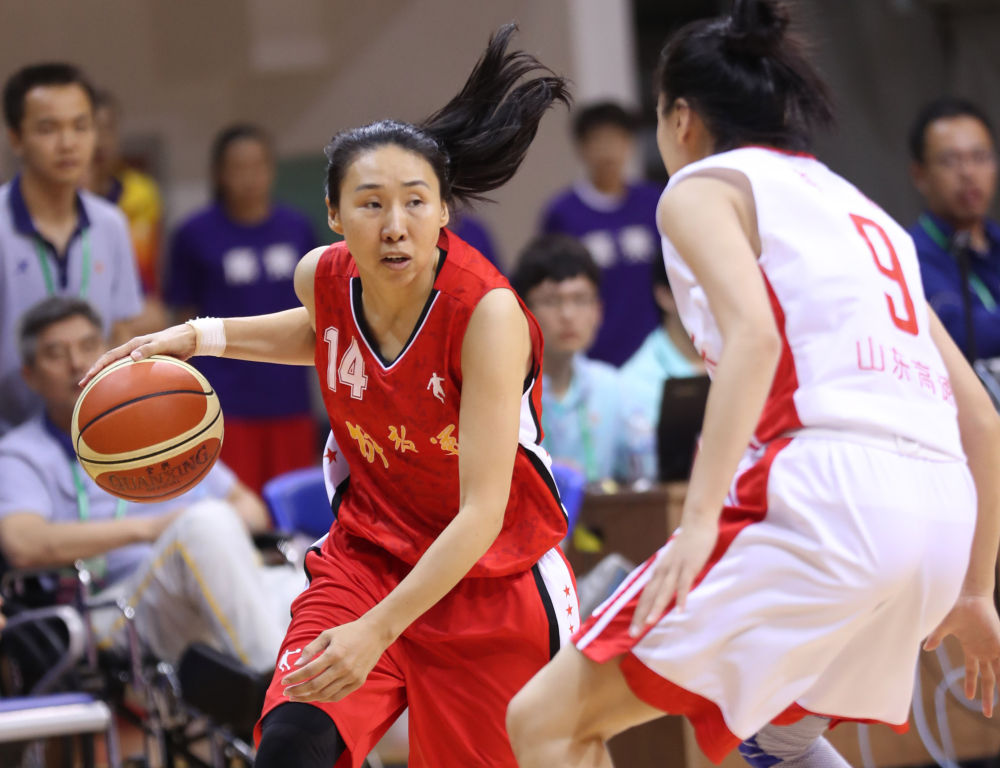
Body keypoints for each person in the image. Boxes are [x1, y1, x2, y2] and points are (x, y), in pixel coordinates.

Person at [507, 2, 1000, 767]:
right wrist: (975, 591)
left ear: (680, 119)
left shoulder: (701, 186)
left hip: (829, 501)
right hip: (939, 526)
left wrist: (700, 523)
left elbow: (756, 337)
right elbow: (982, 417)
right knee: (773, 738)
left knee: (543, 722)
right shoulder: (867, 213)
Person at [83, 24, 577, 767]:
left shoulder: (488, 315)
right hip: (368, 556)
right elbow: (317, 331)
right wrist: (194, 338)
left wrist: (377, 631)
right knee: (293, 746)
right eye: (371, 204)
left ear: (445, 211)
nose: (395, 226)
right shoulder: (323, 277)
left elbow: (481, 514)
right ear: (335, 215)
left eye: (416, 202)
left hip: (487, 580)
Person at [0, 296, 305, 671]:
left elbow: (253, 511)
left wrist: (205, 539)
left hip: (221, 577)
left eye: (88, 345)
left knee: (317, 596)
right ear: (30, 375)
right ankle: (285, 695)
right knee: (204, 523)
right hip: (120, 606)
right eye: (56, 354)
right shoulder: (22, 452)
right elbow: (23, 543)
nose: (77, 363)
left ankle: (303, 693)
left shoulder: (162, 420)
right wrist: (155, 529)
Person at [165, 124, 319, 493]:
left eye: (258, 165)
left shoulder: (298, 227)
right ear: (219, 173)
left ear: (271, 169)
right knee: (238, 507)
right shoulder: (194, 234)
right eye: (238, 167)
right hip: (224, 399)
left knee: (293, 506)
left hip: (289, 395)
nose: (249, 177)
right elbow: (181, 313)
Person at [0, 63, 143, 435]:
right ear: (16, 138)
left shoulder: (111, 223)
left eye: (81, 126)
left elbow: (121, 331)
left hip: (95, 430)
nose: (68, 143)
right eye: (48, 128)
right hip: (8, 434)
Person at [510, 234, 655, 486]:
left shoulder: (612, 386)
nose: (567, 315)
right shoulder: (507, 392)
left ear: (598, 310)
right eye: (551, 301)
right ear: (523, 311)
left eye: (579, 299)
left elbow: (643, 475)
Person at [541, 101, 663, 366]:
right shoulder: (563, 212)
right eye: (598, 140)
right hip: (593, 355)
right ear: (581, 147)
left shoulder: (653, 202)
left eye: (616, 139)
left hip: (655, 352)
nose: (608, 150)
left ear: (630, 143)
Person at [908, 97, 1000, 360]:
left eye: (979, 157)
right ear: (920, 175)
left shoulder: (995, 240)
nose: (968, 172)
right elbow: (959, 334)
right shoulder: (910, 255)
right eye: (950, 161)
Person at [85, 88, 168, 333]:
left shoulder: (142, 194)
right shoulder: (65, 201)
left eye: (108, 129)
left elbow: (150, 270)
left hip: (134, 309)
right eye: (90, 128)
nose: (101, 140)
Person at [620, 255, 703, 431]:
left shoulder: (742, 354)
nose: (712, 300)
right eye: (700, 287)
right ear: (665, 296)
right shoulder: (633, 384)